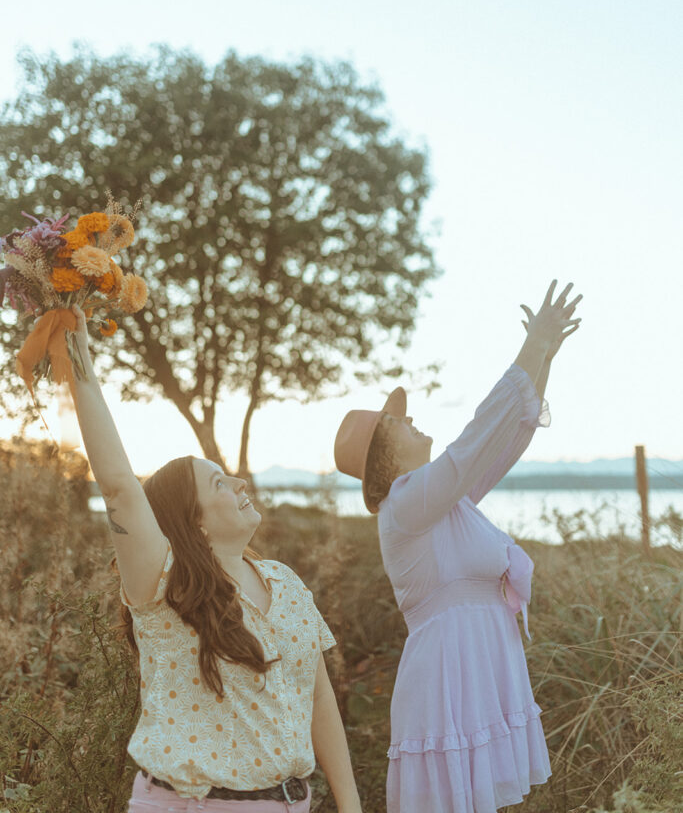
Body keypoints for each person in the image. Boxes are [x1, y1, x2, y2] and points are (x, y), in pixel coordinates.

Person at [66, 305, 363, 813]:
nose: (240, 483)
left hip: (293, 803)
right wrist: (77, 357)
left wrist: (351, 805)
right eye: (219, 483)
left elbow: (318, 699)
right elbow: (118, 484)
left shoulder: (285, 582)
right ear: (193, 519)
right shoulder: (163, 584)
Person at [334, 280, 582, 813]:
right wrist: (529, 346)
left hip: (481, 663)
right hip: (450, 675)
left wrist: (544, 358)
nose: (413, 419)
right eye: (400, 422)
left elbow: (506, 439)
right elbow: (471, 445)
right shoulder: (406, 505)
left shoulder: (447, 500)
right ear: (383, 459)